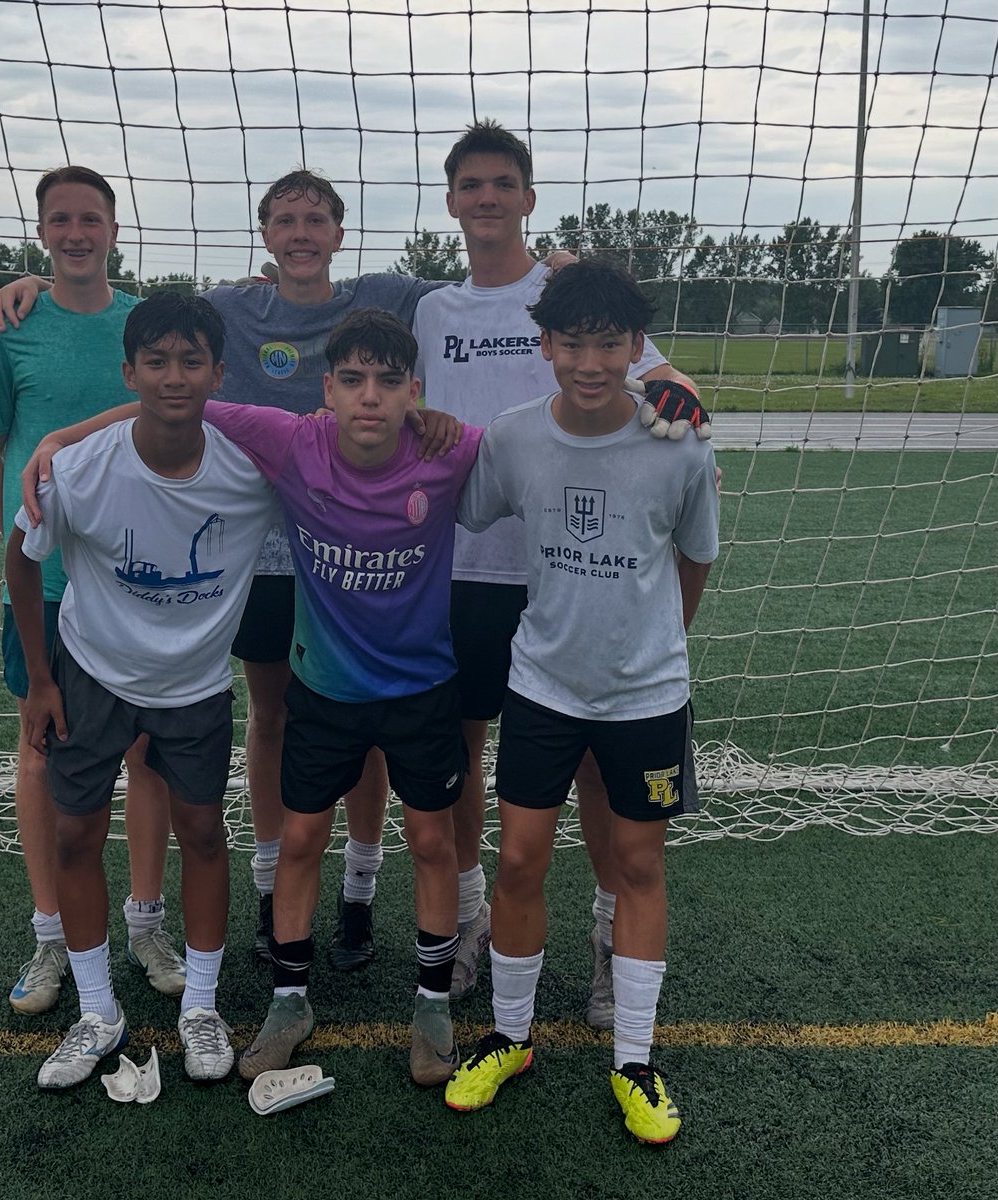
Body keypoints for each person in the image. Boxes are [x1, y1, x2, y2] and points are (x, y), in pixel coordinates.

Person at [0, 170, 451, 971]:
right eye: (285, 221)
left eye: (316, 220)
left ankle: (360, 887)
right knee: (269, 717)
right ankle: (266, 886)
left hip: (342, 556)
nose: (301, 234)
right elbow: (164, 377)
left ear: (340, 233)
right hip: (255, 557)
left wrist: (554, 265)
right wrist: (56, 407)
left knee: (365, 722)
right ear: (264, 235)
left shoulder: (387, 296)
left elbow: (490, 291)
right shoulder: (229, 306)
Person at [411, 120, 710, 1018]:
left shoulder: (569, 293)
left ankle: (611, 933)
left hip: (577, 583)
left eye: (503, 183)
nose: (487, 198)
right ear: (451, 201)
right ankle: (473, 918)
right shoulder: (431, 309)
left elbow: (671, 389)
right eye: (472, 185)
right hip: (471, 567)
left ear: (528, 198)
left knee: (593, 764)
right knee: (464, 757)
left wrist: (683, 399)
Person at [446, 259, 719, 1144]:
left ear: (638, 347)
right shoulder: (514, 437)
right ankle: (510, 1037)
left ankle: (634, 1059)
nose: (591, 363)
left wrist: (657, 644)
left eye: (609, 344)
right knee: (520, 862)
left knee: (637, 866)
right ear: (545, 347)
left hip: (646, 695)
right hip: (543, 686)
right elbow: (468, 509)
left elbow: (696, 557)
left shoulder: (680, 442)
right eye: (573, 344)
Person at [5, 290, 279, 1088]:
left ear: (219, 374)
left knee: (203, 832)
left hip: (195, 686)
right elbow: (22, 558)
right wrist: (41, 680)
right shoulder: (82, 468)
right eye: (156, 362)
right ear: (129, 372)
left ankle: (201, 1005)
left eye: (191, 361)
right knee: (75, 835)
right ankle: (99, 1011)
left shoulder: (253, 470)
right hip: (93, 674)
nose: (173, 377)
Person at [205, 309, 479, 1088]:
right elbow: (172, 402)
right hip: (323, 688)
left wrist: (662, 391)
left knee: (432, 841)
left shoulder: (452, 450)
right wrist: (59, 441)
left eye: (389, 382)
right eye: (353, 380)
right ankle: (289, 1003)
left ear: (414, 393)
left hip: (423, 687)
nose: (370, 396)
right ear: (326, 389)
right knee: (299, 839)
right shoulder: (292, 440)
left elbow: (551, 434)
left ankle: (432, 1005)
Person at [0, 165, 186, 1017]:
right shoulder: (11, 326)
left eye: (90, 218)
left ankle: (146, 923)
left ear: (114, 229)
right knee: (42, 748)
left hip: (140, 580)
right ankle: (51, 934)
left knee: (147, 753)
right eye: (59, 219)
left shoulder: (147, 324)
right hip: (51, 586)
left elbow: (176, 406)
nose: (75, 233)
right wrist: (23, 538)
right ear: (42, 232)